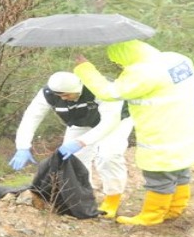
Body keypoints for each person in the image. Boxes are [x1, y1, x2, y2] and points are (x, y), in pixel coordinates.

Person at [73, 39, 194, 226]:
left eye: (118, 60)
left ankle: (152, 216)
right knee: (179, 168)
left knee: (159, 174)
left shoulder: (142, 73)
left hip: (162, 131)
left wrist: (85, 68)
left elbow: (109, 92)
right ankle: (175, 208)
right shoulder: (177, 59)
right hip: (187, 126)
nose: (119, 64)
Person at [8, 71, 133, 218]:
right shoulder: (48, 93)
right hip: (80, 122)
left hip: (116, 121)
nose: (62, 98)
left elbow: (109, 122)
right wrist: (22, 146)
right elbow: (31, 117)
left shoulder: (101, 87)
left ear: (78, 88)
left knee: (108, 155)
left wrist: (82, 141)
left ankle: (112, 199)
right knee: (74, 160)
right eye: (59, 95)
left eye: (67, 95)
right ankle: (83, 197)